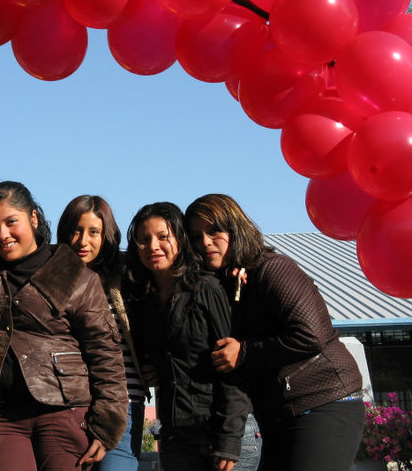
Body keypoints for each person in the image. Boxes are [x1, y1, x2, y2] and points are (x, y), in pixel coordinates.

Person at [184, 194, 364, 471]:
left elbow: (310, 335)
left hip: (325, 400)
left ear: (235, 228)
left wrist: (244, 352)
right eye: (196, 237)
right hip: (279, 413)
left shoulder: (273, 268)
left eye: (214, 230)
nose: (205, 242)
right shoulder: (226, 284)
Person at [0, 181, 128, 471]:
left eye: (11, 222)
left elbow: (105, 353)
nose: (2, 235)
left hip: (65, 411)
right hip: (1, 416)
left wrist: (106, 426)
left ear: (33, 217)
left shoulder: (74, 273)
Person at [125, 202, 249, 471]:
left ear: (180, 240)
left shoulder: (207, 288)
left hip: (217, 432)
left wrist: (229, 438)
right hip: (174, 434)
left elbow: (234, 369)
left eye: (162, 237)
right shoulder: (142, 301)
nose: (153, 246)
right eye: (144, 240)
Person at [56, 195, 148, 471]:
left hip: (124, 405)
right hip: (68, 405)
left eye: (93, 232)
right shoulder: (51, 278)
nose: (83, 241)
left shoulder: (128, 276)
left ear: (106, 235)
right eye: (76, 230)